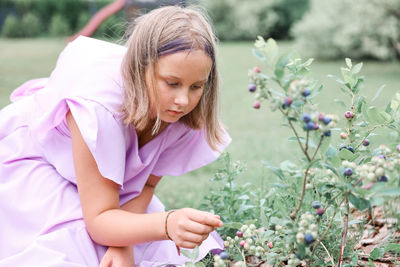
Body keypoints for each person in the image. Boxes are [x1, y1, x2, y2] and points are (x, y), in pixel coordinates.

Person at [0, 5, 231, 267]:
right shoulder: (100, 110)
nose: (182, 100)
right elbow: (99, 219)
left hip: (101, 191)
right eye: (172, 83)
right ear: (140, 68)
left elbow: (145, 185)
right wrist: (166, 223)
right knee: (74, 246)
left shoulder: (180, 117)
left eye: (196, 86)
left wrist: (123, 244)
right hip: (38, 160)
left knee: (149, 245)